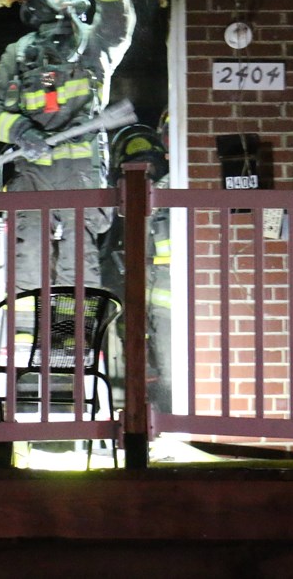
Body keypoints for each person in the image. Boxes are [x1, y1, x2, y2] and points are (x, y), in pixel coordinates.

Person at [0, 0, 135, 290]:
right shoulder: (20, 52)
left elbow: (117, 24)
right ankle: (28, 321)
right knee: (29, 259)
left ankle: (71, 322)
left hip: (80, 174)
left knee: (78, 263)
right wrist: (20, 132)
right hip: (33, 173)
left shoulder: (93, 44)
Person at [100, 119, 172, 412]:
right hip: (134, 295)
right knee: (137, 360)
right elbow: (106, 249)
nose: (144, 173)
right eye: (134, 167)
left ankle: (167, 416)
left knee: (170, 364)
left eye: (148, 166)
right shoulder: (116, 202)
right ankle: (143, 413)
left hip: (169, 296)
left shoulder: (170, 194)